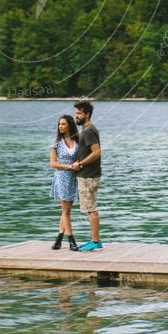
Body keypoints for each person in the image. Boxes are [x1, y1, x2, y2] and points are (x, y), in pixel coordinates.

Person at [72, 100, 102, 251]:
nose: (76, 116)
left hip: (88, 175)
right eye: (76, 113)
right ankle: (94, 240)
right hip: (87, 175)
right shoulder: (87, 129)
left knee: (91, 208)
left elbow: (96, 152)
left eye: (79, 113)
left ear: (87, 114)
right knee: (90, 207)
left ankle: (96, 242)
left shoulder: (89, 130)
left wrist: (81, 164)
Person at [50, 114, 80, 251]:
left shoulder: (77, 140)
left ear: (70, 125)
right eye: (59, 124)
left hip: (73, 178)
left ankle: (58, 240)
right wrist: (69, 166)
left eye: (63, 124)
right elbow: (53, 163)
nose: (60, 126)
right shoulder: (56, 141)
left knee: (66, 210)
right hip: (62, 177)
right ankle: (71, 240)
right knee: (66, 211)